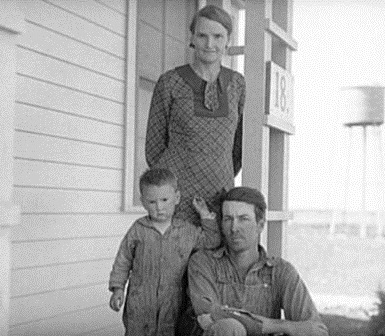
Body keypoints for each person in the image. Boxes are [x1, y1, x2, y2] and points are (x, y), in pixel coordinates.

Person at [145, 5, 245, 224]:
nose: (210, 44)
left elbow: (239, 147)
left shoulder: (237, 84)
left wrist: (219, 172)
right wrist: (169, 190)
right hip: (177, 201)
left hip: (220, 198)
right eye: (202, 36)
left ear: (227, 40)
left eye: (218, 36)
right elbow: (154, 148)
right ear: (192, 38)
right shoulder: (170, 82)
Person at [187, 187, 329, 336]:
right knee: (229, 327)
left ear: (260, 225)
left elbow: (317, 330)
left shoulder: (280, 271)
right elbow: (209, 314)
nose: (234, 228)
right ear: (221, 225)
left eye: (243, 219)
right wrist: (272, 326)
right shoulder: (203, 263)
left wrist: (280, 326)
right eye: (228, 219)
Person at [108, 168, 220, 336]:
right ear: (143, 202)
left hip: (172, 301)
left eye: (164, 200)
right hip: (139, 301)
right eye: (152, 202)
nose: (159, 207)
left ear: (177, 198)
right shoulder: (138, 230)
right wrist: (117, 288)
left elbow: (212, 241)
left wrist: (204, 214)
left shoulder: (187, 231)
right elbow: (123, 260)